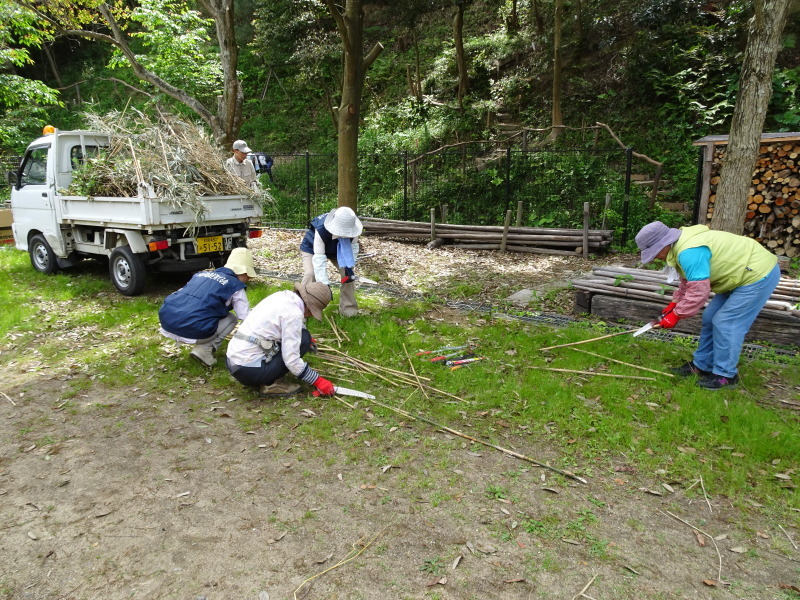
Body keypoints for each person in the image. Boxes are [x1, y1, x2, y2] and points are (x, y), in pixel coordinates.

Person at [635, 221, 780, 390]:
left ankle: (725, 375)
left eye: (654, 253)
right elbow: (689, 280)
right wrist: (674, 303)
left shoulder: (689, 252)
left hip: (756, 274)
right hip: (736, 276)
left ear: (663, 244)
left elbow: (698, 292)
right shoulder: (679, 247)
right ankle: (702, 365)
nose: (655, 258)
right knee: (710, 317)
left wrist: (676, 315)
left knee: (726, 322)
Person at [225, 282, 337, 397]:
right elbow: (291, 360)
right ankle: (271, 384)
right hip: (249, 371)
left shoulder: (282, 296)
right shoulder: (294, 314)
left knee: (304, 337)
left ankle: (266, 373)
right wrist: (318, 381)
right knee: (304, 339)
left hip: (232, 360)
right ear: (309, 307)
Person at [158, 248, 256, 368]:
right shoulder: (235, 286)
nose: (248, 280)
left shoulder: (200, 274)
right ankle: (204, 350)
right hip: (192, 330)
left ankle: (201, 345)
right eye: (248, 276)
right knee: (231, 319)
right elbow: (246, 318)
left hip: (167, 322)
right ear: (243, 272)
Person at [300, 206, 363, 317]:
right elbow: (319, 259)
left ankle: (349, 311)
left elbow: (352, 251)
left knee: (348, 275)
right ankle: (302, 310)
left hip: (339, 250)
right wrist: (325, 286)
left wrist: (349, 270)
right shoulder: (321, 229)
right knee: (311, 273)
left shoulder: (354, 227)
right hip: (312, 248)